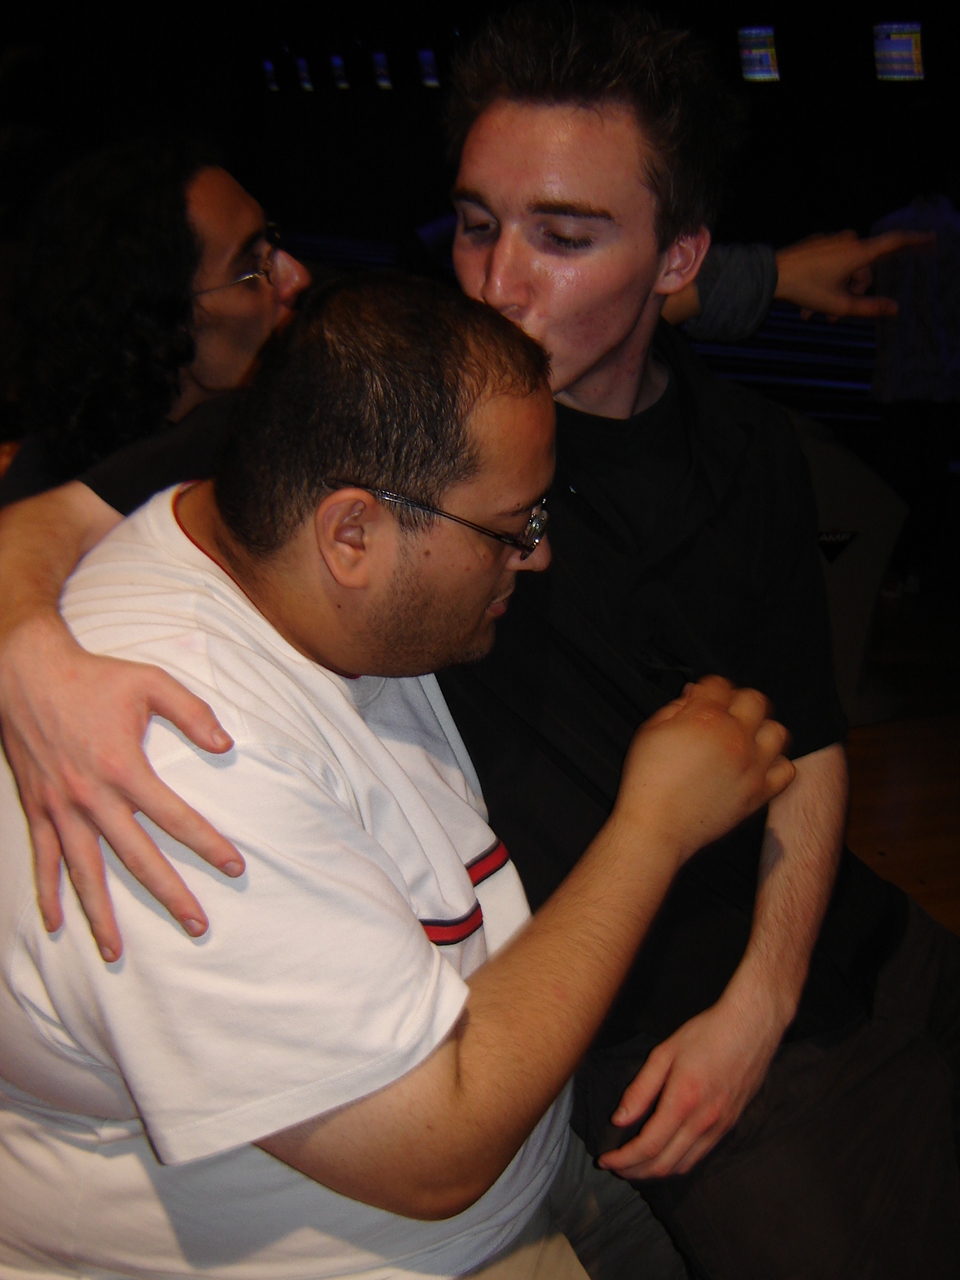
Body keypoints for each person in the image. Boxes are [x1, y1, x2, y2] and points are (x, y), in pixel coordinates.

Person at [0, 6, 957, 1276]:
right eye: (473, 224)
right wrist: (32, 659)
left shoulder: (749, 451)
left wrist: (764, 995)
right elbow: (36, 520)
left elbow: (812, 734)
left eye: (563, 237)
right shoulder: (385, 414)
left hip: (830, 947)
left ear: (675, 258)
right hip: (637, 1040)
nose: (498, 283)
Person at [0, 271, 793, 1278]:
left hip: (527, 1155)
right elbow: (433, 1150)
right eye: (512, 528)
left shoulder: (284, 505)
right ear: (352, 536)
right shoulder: (178, 765)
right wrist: (656, 826)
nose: (537, 556)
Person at [0, 138, 310, 504]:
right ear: (160, 326)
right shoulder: (57, 517)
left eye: (271, 244)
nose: (298, 277)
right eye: (252, 269)